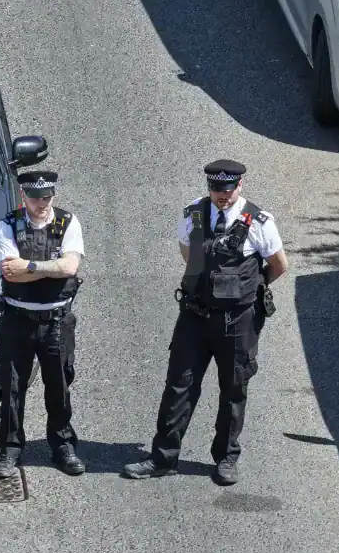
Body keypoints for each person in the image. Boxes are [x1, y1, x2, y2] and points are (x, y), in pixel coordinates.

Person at [123, 159, 287, 486]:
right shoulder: (194, 213)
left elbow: (279, 265)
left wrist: (247, 288)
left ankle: (226, 457)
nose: (221, 196)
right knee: (178, 386)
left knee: (233, 388)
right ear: (209, 187)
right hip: (195, 317)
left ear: (239, 187)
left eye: (228, 190)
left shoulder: (259, 221)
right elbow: (189, 255)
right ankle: (163, 457)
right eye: (216, 190)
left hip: (237, 321)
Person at [0, 170, 86, 478]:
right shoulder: (8, 225)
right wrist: (52, 269)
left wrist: (30, 266)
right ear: (24, 197)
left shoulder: (68, 222)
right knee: (13, 386)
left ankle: (63, 447)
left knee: (59, 385)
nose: (41, 203)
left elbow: (71, 266)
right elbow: (9, 273)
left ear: (53, 196)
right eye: (35, 198)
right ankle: (10, 449)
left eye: (46, 197)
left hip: (56, 320)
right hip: (17, 319)